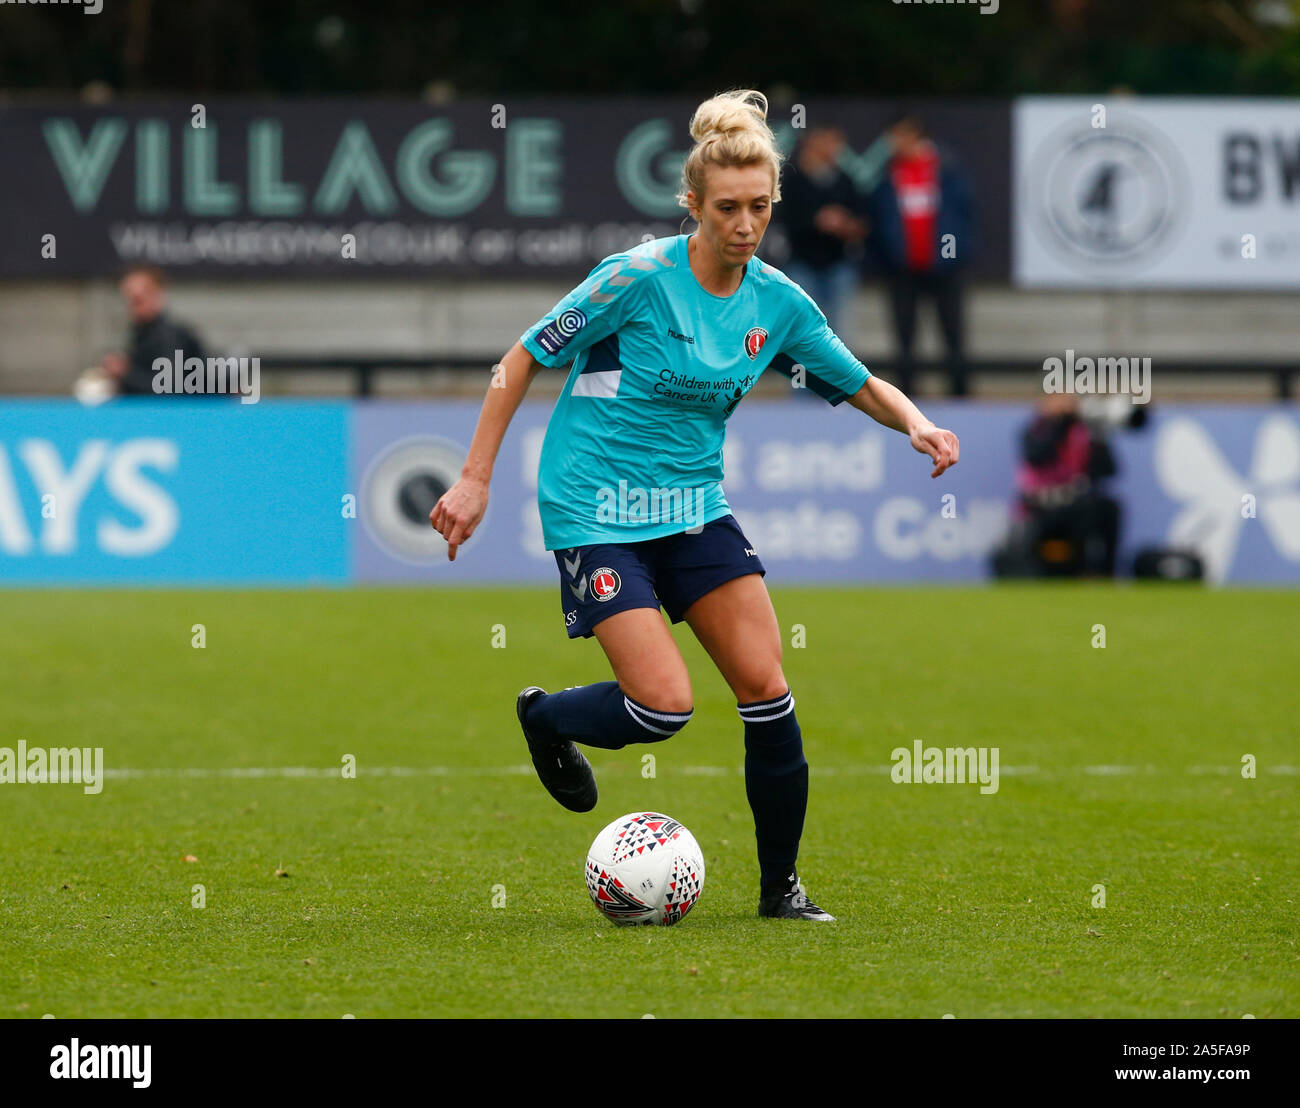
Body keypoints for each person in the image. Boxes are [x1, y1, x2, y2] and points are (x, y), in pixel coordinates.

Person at [429, 89, 959, 922]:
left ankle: (781, 892)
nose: (744, 225)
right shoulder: (636, 278)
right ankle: (546, 718)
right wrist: (475, 477)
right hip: (595, 508)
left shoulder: (777, 302)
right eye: (726, 209)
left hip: (693, 510)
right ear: (693, 205)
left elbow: (858, 380)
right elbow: (519, 360)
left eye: (758, 207)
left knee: (766, 687)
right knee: (661, 707)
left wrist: (918, 424)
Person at [867, 112, 975, 398]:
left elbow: (964, 212)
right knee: (904, 338)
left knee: (953, 334)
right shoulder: (888, 173)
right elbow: (881, 218)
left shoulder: (946, 167)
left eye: (898, 136)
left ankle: (960, 397)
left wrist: (954, 255)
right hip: (902, 269)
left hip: (944, 269)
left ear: (914, 133)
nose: (893, 143)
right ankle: (907, 400)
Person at [994, 393, 1120, 578]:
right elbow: (1038, 455)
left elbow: (1108, 469)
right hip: (1040, 505)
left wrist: (1098, 434)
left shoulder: (1083, 432)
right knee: (1082, 512)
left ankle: (1105, 573)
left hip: (1074, 500)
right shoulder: (1034, 430)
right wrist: (1062, 423)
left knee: (1109, 509)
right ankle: (1078, 569)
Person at [777, 125, 868, 345]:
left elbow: (862, 224)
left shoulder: (846, 181)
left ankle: (836, 380)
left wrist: (844, 225)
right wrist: (817, 220)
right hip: (802, 265)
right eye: (826, 141)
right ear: (812, 142)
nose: (832, 148)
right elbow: (782, 219)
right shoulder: (792, 180)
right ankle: (801, 380)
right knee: (802, 334)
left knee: (839, 336)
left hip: (838, 264)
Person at [101, 265, 207, 397]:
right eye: (130, 299)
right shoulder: (140, 333)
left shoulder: (171, 337)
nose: (133, 305)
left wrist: (125, 372)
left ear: (158, 295)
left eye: (139, 299)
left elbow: (168, 389)